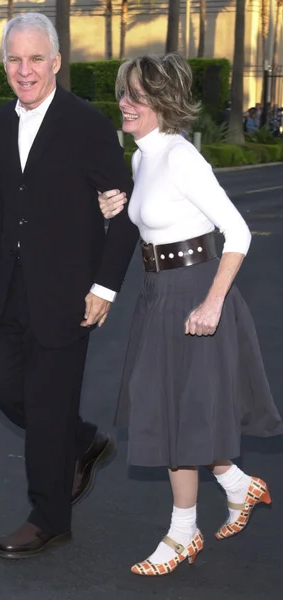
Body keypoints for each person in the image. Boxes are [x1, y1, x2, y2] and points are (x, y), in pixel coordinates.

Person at [98, 53, 283, 576]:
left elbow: (238, 232)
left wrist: (213, 301)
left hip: (197, 295)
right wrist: (121, 204)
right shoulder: (141, 159)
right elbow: (155, 215)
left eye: (137, 95)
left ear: (162, 102)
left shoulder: (182, 156)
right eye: (123, 93)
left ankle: (182, 535)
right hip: (158, 296)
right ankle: (237, 485)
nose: (125, 103)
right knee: (169, 412)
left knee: (179, 417)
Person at [0, 13, 138, 559]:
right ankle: (82, 441)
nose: (24, 70)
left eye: (34, 59)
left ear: (55, 62)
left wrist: (105, 288)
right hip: (12, 288)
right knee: (5, 390)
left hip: (70, 295)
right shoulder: (1, 121)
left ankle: (48, 517)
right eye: (14, 59)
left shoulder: (84, 123)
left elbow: (126, 213)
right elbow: (0, 208)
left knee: (47, 407)